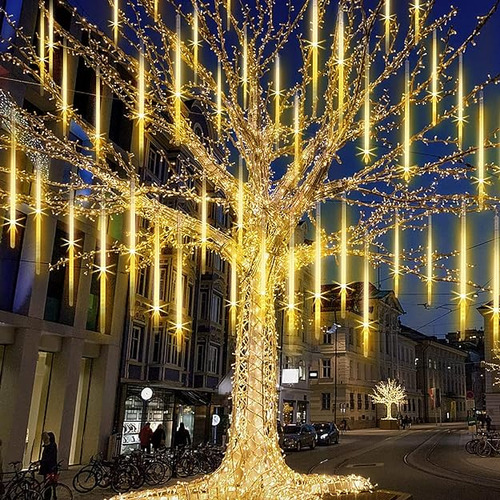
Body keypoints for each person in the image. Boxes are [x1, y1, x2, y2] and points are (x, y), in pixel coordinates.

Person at [39, 432, 58, 500]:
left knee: (49, 484)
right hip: (47, 468)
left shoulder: (52, 445)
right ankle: (49, 496)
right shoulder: (48, 445)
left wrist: (41, 462)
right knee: (48, 483)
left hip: (49, 468)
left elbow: (49, 457)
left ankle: (48, 497)